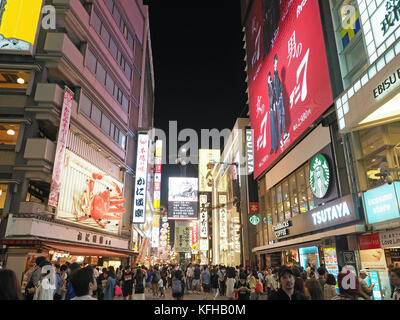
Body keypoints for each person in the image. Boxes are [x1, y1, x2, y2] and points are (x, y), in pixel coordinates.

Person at [268, 72, 278, 154]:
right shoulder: (269, 87)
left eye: (269, 78)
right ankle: (272, 146)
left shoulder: (273, 85)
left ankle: (276, 145)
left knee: (274, 128)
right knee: (272, 129)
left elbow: (274, 96)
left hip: (274, 108)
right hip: (271, 110)